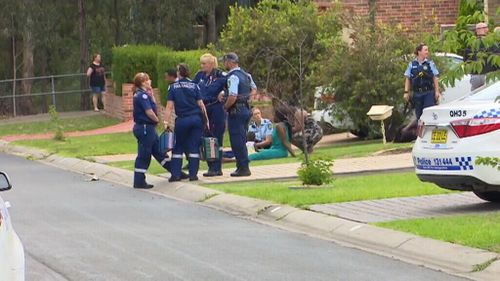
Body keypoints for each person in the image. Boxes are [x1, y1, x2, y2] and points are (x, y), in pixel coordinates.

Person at [131, 72, 187, 189]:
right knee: (144, 154)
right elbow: (149, 111)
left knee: (159, 151)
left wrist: (151, 95)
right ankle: (139, 180)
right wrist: (157, 120)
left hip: (148, 128)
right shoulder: (142, 95)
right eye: (148, 80)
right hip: (145, 128)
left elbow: (153, 105)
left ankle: (175, 171)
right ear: (143, 82)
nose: (150, 81)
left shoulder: (145, 94)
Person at [164, 64, 209, 182]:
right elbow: (201, 104)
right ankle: (193, 175)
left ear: (179, 72)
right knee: (194, 147)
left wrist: (166, 122)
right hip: (196, 119)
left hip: (182, 120)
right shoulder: (194, 85)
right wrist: (206, 120)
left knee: (178, 147)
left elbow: (169, 107)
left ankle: (176, 175)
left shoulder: (173, 87)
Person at [193, 53, 227, 177]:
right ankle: (210, 166)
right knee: (206, 138)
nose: (202, 66)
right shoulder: (199, 75)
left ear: (211, 64)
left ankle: (216, 167)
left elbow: (229, 88)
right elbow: (194, 89)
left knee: (215, 137)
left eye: (204, 63)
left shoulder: (220, 75)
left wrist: (223, 93)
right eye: (201, 63)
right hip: (203, 109)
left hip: (215, 108)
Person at [222, 52, 253, 177]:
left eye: (225, 61)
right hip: (245, 109)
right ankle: (243, 165)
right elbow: (253, 89)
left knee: (236, 140)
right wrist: (246, 98)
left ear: (229, 62)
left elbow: (233, 96)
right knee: (242, 138)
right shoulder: (246, 75)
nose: (224, 64)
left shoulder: (233, 77)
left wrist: (225, 106)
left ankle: (243, 167)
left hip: (236, 111)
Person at [403, 43, 440, 120]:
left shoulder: (430, 63)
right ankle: (420, 131)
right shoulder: (412, 64)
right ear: (419, 52)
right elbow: (407, 78)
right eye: (425, 50)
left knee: (429, 114)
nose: (427, 52)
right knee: (419, 116)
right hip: (417, 94)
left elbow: (435, 77)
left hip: (428, 93)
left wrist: (437, 92)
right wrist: (406, 92)